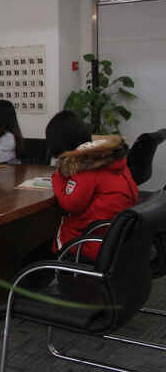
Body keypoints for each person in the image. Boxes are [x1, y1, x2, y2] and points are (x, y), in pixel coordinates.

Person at [46, 110, 138, 261]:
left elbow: (71, 204)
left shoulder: (86, 163)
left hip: (90, 244)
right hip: (115, 238)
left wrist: (58, 176)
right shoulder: (108, 157)